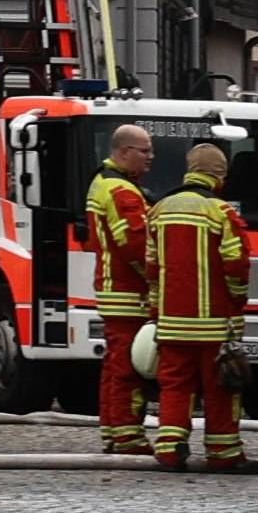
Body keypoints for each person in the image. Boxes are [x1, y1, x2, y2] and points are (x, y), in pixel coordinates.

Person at [143, 142, 252, 468]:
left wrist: (156, 312)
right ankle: (224, 454)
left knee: (174, 385)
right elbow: (236, 265)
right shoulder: (221, 212)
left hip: (172, 322)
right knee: (220, 388)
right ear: (218, 177)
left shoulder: (159, 209)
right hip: (214, 323)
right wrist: (237, 303)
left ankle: (169, 447)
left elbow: (151, 267)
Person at [83, 122, 161, 458]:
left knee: (115, 366)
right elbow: (136, 245)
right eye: (144, 151)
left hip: (113, 289)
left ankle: (114, 431)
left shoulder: (103, 183)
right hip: (129, 293)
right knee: (130, 368)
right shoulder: (123, 192)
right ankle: (129, 437)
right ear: (123, 151)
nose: (150, 157)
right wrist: (160, 279)